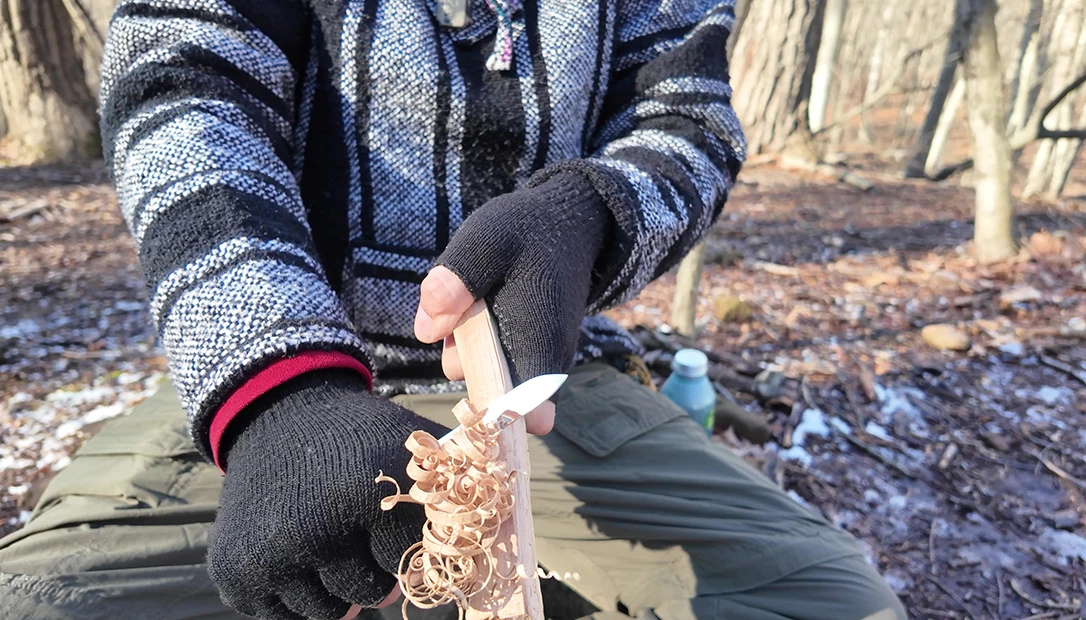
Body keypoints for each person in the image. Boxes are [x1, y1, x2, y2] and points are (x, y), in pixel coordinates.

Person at [0, 0, 906, 618]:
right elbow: (182, 91)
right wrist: (279, 391)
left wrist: (586, 212)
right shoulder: (274, 380)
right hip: (277, 376)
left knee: (833, 602)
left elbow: (688, 123)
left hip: (545, 387)